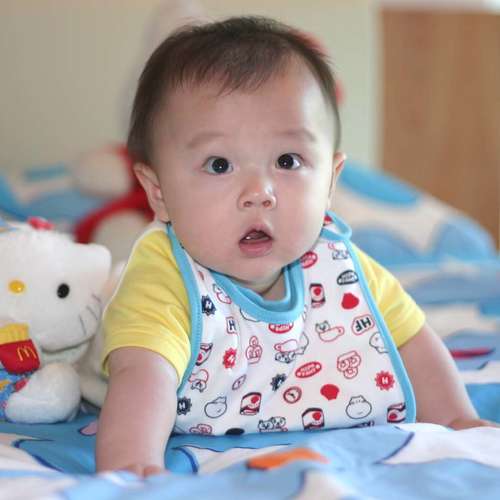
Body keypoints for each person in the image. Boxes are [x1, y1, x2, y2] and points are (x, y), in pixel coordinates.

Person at [95, 16, 492, 477]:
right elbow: (142, 374)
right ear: (158, 192)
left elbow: (411, 339)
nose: (259, 192)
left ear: (330, 181)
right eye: (219, 164)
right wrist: (133, 464)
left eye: (287, 160)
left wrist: (456, 419)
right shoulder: (165, 278)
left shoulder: (340, 266)